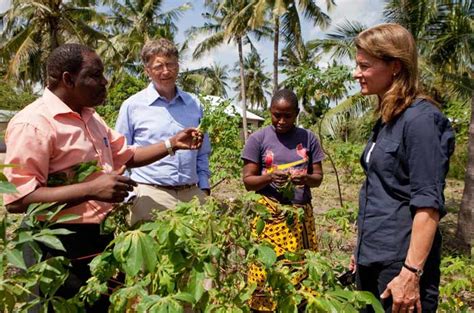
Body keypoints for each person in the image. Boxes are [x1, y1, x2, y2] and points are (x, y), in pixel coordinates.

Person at [3, 43, 203, 311]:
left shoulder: (91, 118)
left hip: (99, 236)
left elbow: (127, 155)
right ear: (68, 79)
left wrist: (172, 144)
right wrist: (91, 189)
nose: (104, 82)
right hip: (56, 242)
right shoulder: (34, 123)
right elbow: (18, 199)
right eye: (95, 75)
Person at [349, 23, 455, 313]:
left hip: (400, 266)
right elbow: (380, 190)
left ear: (394, 66)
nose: (356, 73)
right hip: (372, 259)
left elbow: (428, 205)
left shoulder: (421, 121)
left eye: (364, 66)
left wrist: (410, 273)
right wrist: (360, 251)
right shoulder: (386, 120)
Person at [241, 89, 324, 311]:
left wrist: (305, 178)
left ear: (297, 113)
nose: (281, 121)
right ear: (270, 111)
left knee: (299, 271)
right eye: (277, 115)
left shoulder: (308, 138)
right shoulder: (258, 139)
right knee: (265, 270)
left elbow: (318, 178)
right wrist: (268, 178)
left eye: (288, 116)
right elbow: (248, 181)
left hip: (299, 217)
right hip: (268, 217)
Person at [115, 38, 211, 225]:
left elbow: (203, 151)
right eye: (158, 66)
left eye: (170, 64)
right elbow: (120, 154)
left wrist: (204, 188)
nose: (166, 71)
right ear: (147, 71)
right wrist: (130, 196)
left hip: (191, 195)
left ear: (178, 66)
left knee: (192, 253)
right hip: (150, 195)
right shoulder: (132, 106)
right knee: (151, 252)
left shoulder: (194, 104)